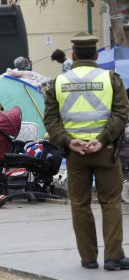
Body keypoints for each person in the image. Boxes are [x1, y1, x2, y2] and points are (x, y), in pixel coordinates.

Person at [44, 32, 129, 271]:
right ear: (95, 55)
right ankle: (113, 257)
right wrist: (101, 140)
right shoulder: (111, 79)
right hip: (105, 151)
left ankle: (88, 259)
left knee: (79, 204)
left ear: (73, 55)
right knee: (111, 202)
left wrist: (69, 141)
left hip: (75, 155)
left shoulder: (58, 83)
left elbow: (50, 119)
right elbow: (121, 114)